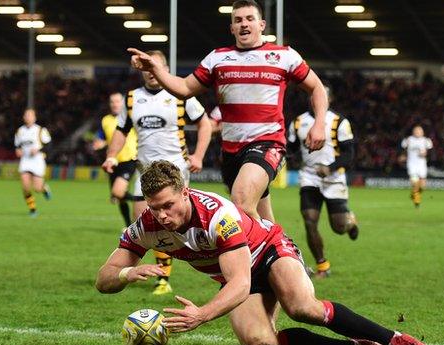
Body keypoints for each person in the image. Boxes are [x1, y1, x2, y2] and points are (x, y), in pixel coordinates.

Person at [95, 161, 427, 345]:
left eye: (169, 205)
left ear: (185, 192)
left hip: (268, 249)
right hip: (238, 272)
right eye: (155, 208)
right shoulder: (147, 227)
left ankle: (396, 341)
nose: (162, 215)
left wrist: (202, 315)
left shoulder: (217, 216)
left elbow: (239, 283)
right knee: (260, 344)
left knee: (301, 308)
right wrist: (126, 274)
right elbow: (103, 279)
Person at [126, 0, 328, 223]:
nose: (244, 24)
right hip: (231, 151)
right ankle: (284, 252)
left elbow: (316, 87)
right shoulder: (217, 59)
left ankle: (252, 255)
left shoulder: (284, 56)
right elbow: (183, 89)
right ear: (232, 28)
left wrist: (319, 123)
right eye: (238, 20)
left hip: (266, 142)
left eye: (249, 19)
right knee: (264, 219)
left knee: (240, 202)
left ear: (261, 25)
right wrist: (155, 68)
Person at [102, 50, 212, 295]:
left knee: (172, 222)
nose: (151, 73)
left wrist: (199, 155)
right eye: (147, 68)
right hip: (145, 171)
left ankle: (167, 276)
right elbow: (121, 130)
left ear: (164, 68)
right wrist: (111, 155)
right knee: (143, 223)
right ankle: (154, 274)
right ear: (142, 70)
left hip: (175, 171)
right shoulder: (132, 98)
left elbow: (205, 123)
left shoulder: (181, 93)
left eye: (156, 67)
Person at [288, 94, 359, 279]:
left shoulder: (339, 121)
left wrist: (330, 168)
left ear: (329, 99)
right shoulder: (298, 122)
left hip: (334, 178)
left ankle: (350, 222)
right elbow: (291, 148)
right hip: (309, 177)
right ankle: (322, 266)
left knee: (339, 227)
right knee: (309, 220)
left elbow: (349, 153)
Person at [93, 92, 138, 227]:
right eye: (112, 102)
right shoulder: (105, 120)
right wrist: (100, 143)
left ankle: (141, 199)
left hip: (129, 159)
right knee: (118, 197)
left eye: (117, 101)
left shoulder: (131, 116)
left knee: (117, 192)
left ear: (123, 102)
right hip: (112, 161)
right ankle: (128, 225)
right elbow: (102, 138)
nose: (115, 104)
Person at [14, 108, 52, 217]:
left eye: (30, 115)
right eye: (26, 115)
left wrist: (38, 150)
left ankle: (44, 188)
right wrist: (18, 150)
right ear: (23, 117)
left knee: (37, 188)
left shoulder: (41, 130)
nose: (28, 117)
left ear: (34, 118)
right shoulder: (19, 131)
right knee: (25, 186)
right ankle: (33, 209)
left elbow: (50, 146)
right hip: (25, 160)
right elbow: (17, 145)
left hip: (37, 161)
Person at [401, 125, 433, 208]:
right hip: (412, 165)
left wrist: (425, 154)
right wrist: (403, 156)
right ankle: (417, 202)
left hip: (422, 165)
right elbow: (403, 150)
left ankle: (413, 194)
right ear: (413, 132)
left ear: (423, 132)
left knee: (422, 186)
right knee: (415, 184)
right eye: (416, 130)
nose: (418, 132)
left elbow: (431, 153)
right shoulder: (408, 140)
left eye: (419, 131)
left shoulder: (426, 141)